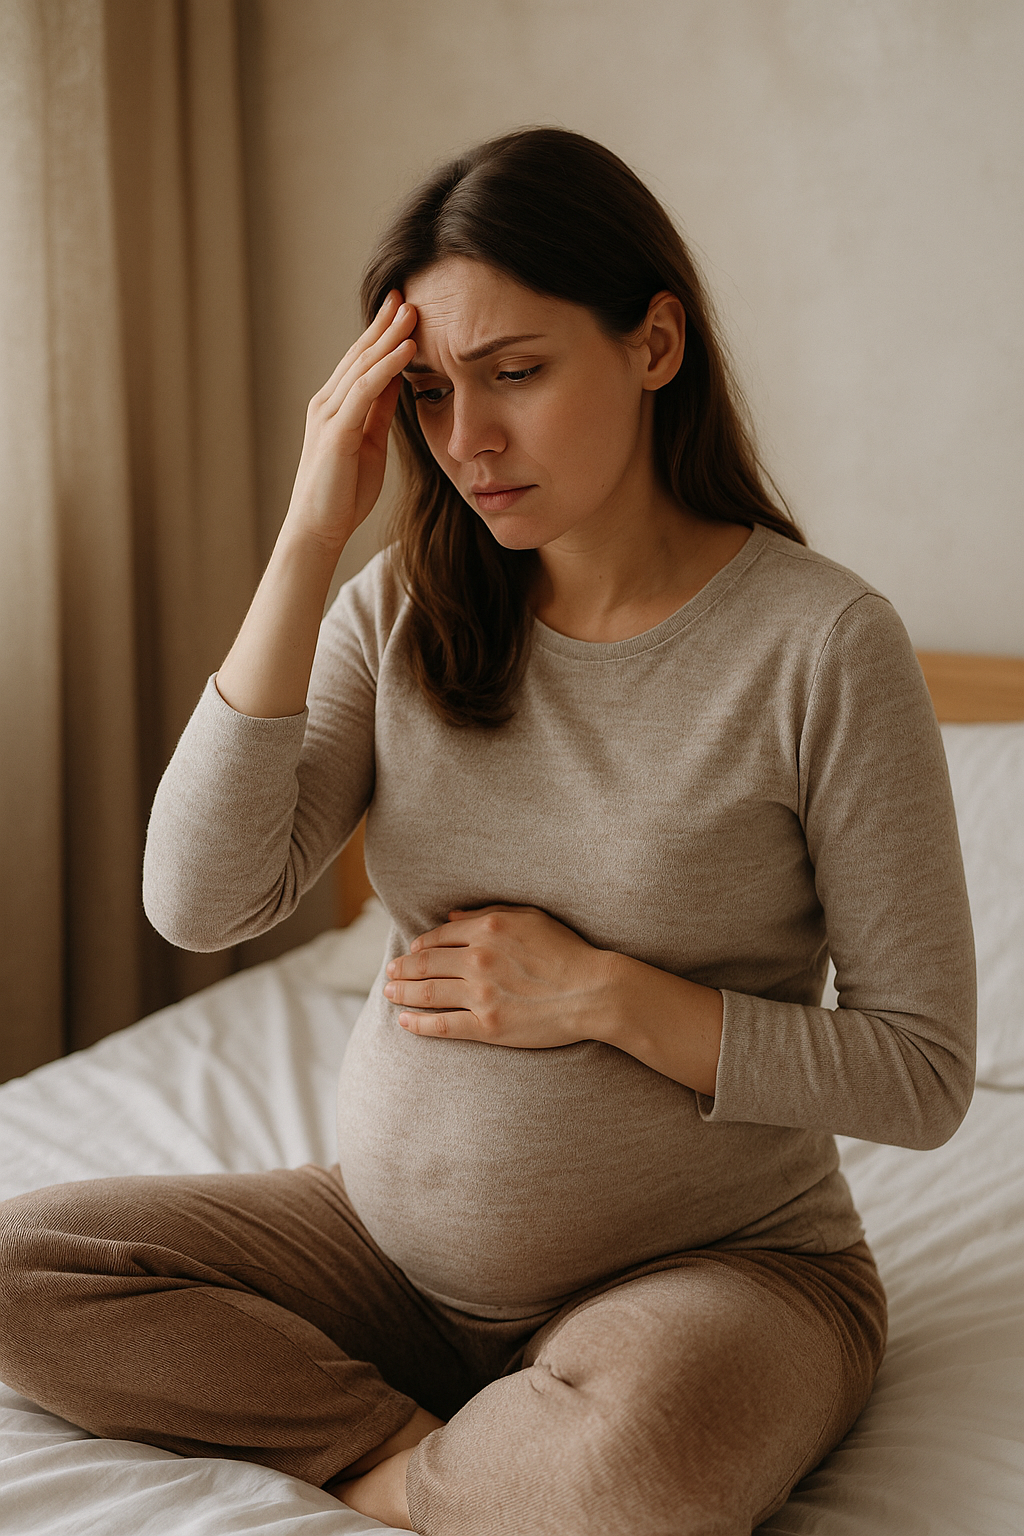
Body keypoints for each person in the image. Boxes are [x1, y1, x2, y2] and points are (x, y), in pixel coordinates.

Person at [0, 128, 975, 1535]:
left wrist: (606, 997)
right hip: (387, 1259)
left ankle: (505, 1454)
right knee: (21, 1270)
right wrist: (305, 541)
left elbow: (925, 1072)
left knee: (638, 1469)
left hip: (718, 1274)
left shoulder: (822, 647)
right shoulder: (401, 606)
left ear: (653, 344)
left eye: (516, 372)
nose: (468, 442)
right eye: (430, 393)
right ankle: (410, 1460)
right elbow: (197, 903)